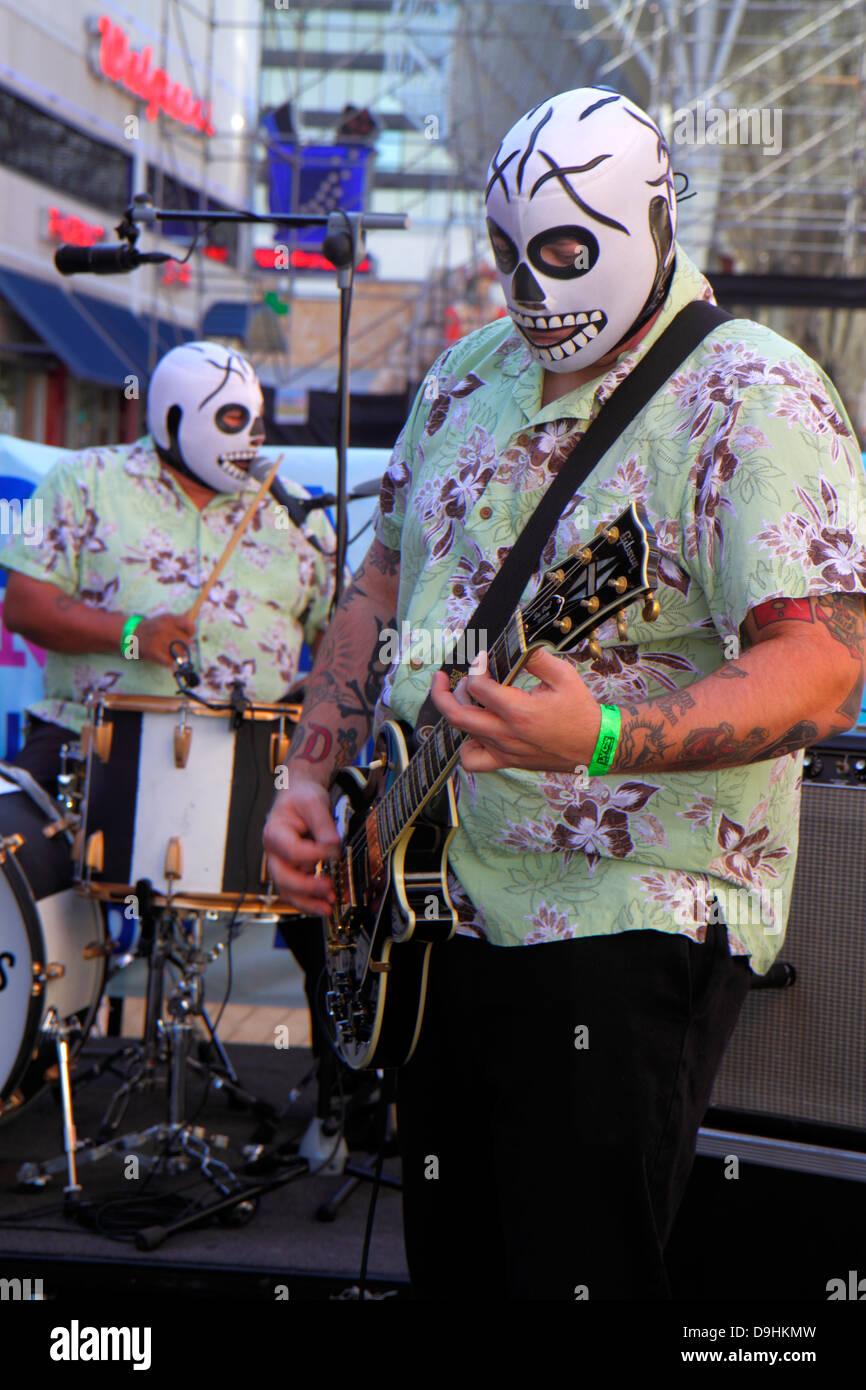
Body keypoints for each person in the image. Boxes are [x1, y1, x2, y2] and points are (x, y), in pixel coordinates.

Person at [262, 87, 866, 1300]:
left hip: (620, 920)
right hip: (439, 917)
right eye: (508, 256)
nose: (532, 293)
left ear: (649, 219)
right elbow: (382, 576)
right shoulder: (460, 376)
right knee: (460, 1277)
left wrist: (594, 734)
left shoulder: (754, 393)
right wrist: (312, 770)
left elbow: (823, 664)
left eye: (564, 254)